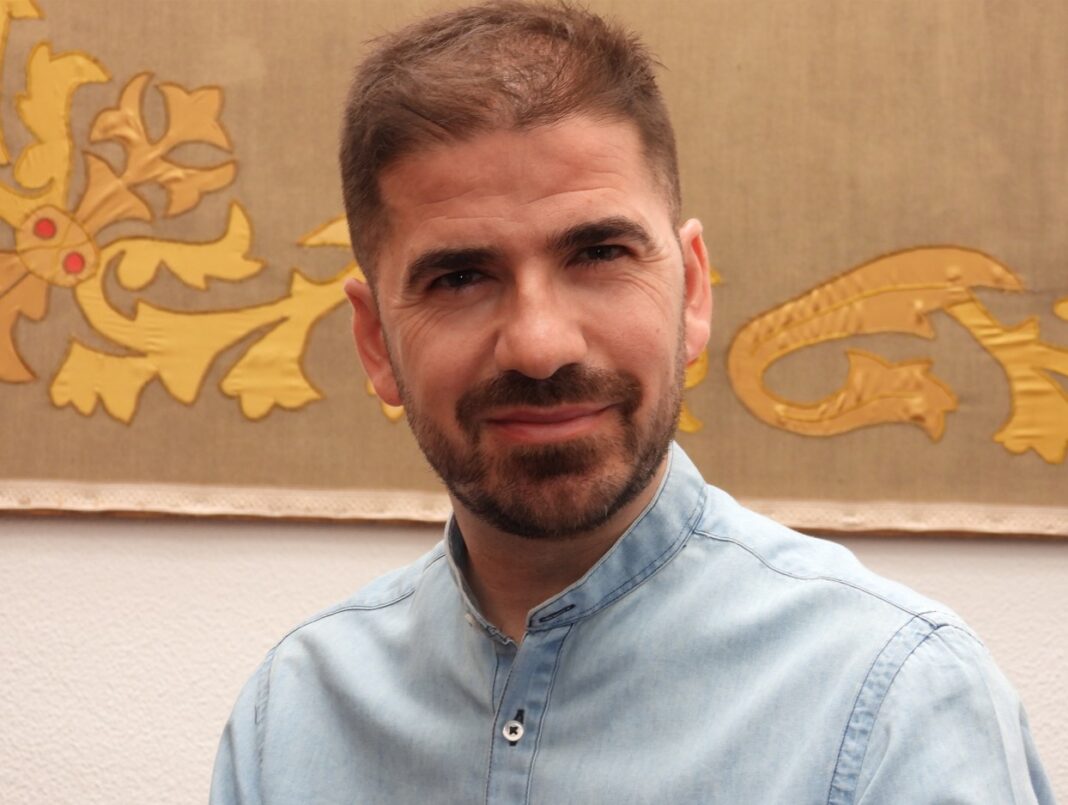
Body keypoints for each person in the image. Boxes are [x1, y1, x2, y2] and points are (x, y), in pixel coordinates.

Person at [211, 2, 1054, 802]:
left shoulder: (898, 699)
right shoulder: (291, 718)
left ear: (692, 290)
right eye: (461, 276)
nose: (541, 345)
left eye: (599, 254)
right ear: (374, 342)